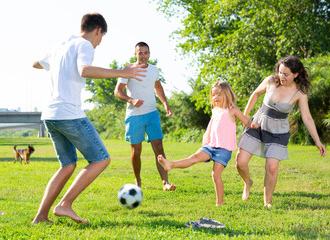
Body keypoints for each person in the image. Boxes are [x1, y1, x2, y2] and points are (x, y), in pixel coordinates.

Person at [31, 13, 146, 224]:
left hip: (50, 115)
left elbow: (36, 64)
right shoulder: (84, 45)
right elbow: (84, 70)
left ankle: (40, 217)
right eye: (101, 38)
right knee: (101, 159)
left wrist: (57, 66)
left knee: (67, 165)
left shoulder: (60, 45)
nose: (99, 43)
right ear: (98, 31)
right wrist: (124, 72)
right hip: (69, 113)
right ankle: (64, 205)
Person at [236, 56, 326, 207]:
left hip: (278, 131)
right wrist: (245, 118)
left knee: (272, 166)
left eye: (286, 74)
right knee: (240, 162)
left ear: (296, 74)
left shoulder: (299, 93)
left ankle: (267, 202)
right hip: (258, 124)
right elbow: (256, 94)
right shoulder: (270, 80)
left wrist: (317, 141)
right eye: (280, 72)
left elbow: (307, 118)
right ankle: (248, 182)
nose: (281, 77)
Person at [158, 81, 258, 206]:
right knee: (194, 157)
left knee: (216, 175)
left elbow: (246, 122)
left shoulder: (232, 111)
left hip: (224, 149)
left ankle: (219, 203)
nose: (215, 97)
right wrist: (206, 138)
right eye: (214, 95)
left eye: (219, 94)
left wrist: (252, 124)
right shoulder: (215, 110)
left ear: (227, 94)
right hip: (210, 145)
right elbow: (211, 125)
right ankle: (170, 165)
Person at [114, 42, 176, 191]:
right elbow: (117, 91)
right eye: (140, 53)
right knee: (136, 151)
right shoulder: (128, 69)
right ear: (135, 54)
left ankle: (165, 182)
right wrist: (131, 100)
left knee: (159, 148)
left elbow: (157, 87)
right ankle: (138, 181)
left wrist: (165, 103)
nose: (143, 56)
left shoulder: (154, 70)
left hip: (152, 113)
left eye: (145, 53)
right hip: (134, 115)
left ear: (149, 54)